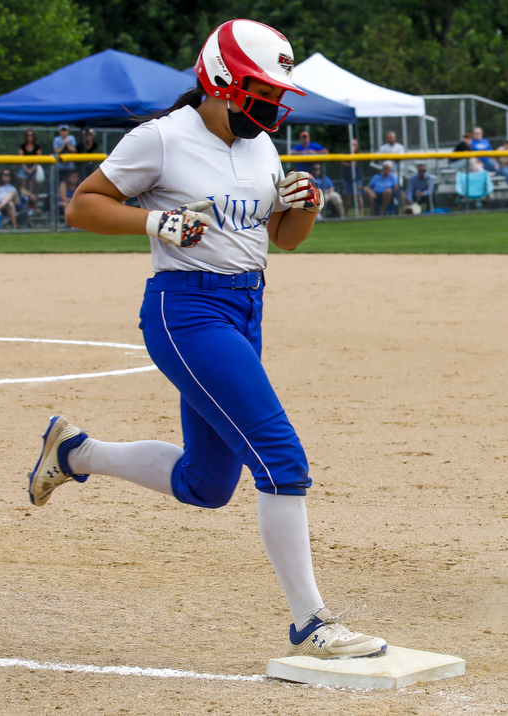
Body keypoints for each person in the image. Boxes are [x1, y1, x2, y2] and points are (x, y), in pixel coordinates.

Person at [29, 19, 386, 660]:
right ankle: (311, 623)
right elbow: (82, 205)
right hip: (187, 312)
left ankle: (76, 453)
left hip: (246, 309)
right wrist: (156, 222)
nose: (271, 104)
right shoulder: (163, 138)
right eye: (261, 89)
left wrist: (304, 205)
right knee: (281, 458)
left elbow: (284, 239)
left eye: (276, 92)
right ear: (221, 81)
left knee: (207, 483)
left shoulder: (261, 146)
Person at [378, 131, 406, 211]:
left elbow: (399, 159)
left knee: (399, 190)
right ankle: (386, 209)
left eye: (391, 137)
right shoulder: (383, 147)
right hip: (385, 173)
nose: (390, 139)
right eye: (389, 138)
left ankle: (403, 208)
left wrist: (387, 156)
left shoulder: (399, 147)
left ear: (395, 138)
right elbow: (380, 158)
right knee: (385, 190)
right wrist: (393, 155)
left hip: (396, 172)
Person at [17, 130, 44, 207]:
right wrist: (25, 169)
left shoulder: (37, 147)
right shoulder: (22, 146)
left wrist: (33, 168)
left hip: (34, 167)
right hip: (24, 167)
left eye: (31, 135)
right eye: (28, 135)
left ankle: (35, 206)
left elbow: (38, 158)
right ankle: (25, 206)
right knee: (25, 187)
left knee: (35, 188)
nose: (30, 137)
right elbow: (21, 158)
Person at [340, 138, 363, 217]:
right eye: (352, 144)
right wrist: (350, 164)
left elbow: (357, 164)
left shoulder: (359, 153)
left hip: (357, 178)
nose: (353, 146)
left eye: (355, 144)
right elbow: (342, 162)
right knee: (347, 197)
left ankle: (360, 213)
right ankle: (346, 213)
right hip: (347, 179)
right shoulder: (346, 153)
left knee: (359, 196)